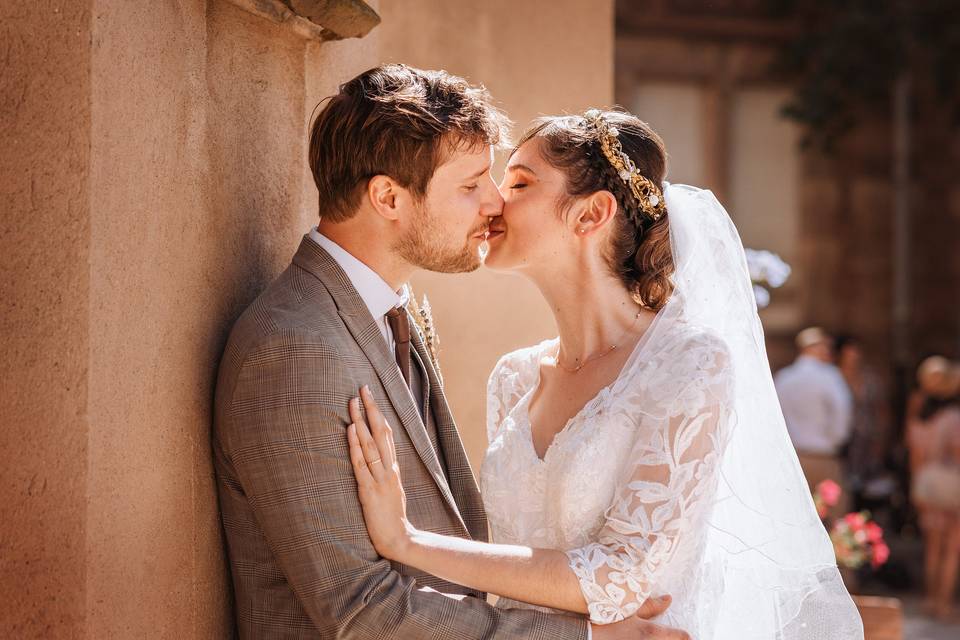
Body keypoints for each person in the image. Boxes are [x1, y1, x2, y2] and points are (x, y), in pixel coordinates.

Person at [345, 109, 864, 638]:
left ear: (591, 214)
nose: (495, 201)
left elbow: (619, 578)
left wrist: (407, 542)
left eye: (519, 182)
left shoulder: (688, 365)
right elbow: (509, 563)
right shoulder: (514, 378)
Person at [213, 65, 682, 639]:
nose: (495, 203)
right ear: (388, 196)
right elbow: (363, 613)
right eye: (470, 186)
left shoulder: (394, 312)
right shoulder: (296, 348)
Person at [775, 327, 854, 514]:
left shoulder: (784, 378)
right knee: (835, 519)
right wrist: (835, 441)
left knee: (794, 515)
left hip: (793, 457)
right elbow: (842, 413)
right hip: (823, 456)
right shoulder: (830, 376)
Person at [908, 358, 960, 619]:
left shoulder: (917, 414)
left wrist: (916, 486)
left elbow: (914, 454)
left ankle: (929, 600)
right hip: (951, 482)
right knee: (952, 545)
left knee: (932, 545)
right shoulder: (953, 417)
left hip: (925, 481)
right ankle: (944, 603)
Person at [835, 334, 891, 507]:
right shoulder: (833, 377)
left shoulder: (869, 379)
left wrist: (880, 439)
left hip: (867, 438)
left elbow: (881, 409)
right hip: (842, 439)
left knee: (867, 486)